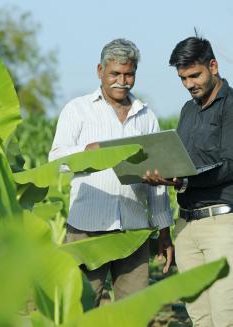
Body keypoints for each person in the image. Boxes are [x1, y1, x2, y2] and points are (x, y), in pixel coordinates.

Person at [49, 38, 174, 307]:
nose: (122, 80)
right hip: (87, 229)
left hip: (134, 229)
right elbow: (56, 160)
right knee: (81, 307)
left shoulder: (146, 115)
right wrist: (87, 151)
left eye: (129, 74)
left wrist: (164, 230)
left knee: (135, 311)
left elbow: (158, 181)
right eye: (115, 73)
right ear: (100, 71)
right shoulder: (77, 110)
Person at [144, 36, 233, 326]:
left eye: (195, 75)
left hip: (222, 225)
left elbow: (229, 165)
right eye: (183, 78)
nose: (189, 84)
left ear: (213, 66)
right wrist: (160, 172)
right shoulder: (187, 111)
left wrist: (181, 180)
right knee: (199, 317)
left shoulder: (231, 107)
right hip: (185, 227)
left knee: (225, 316)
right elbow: (181, 162)